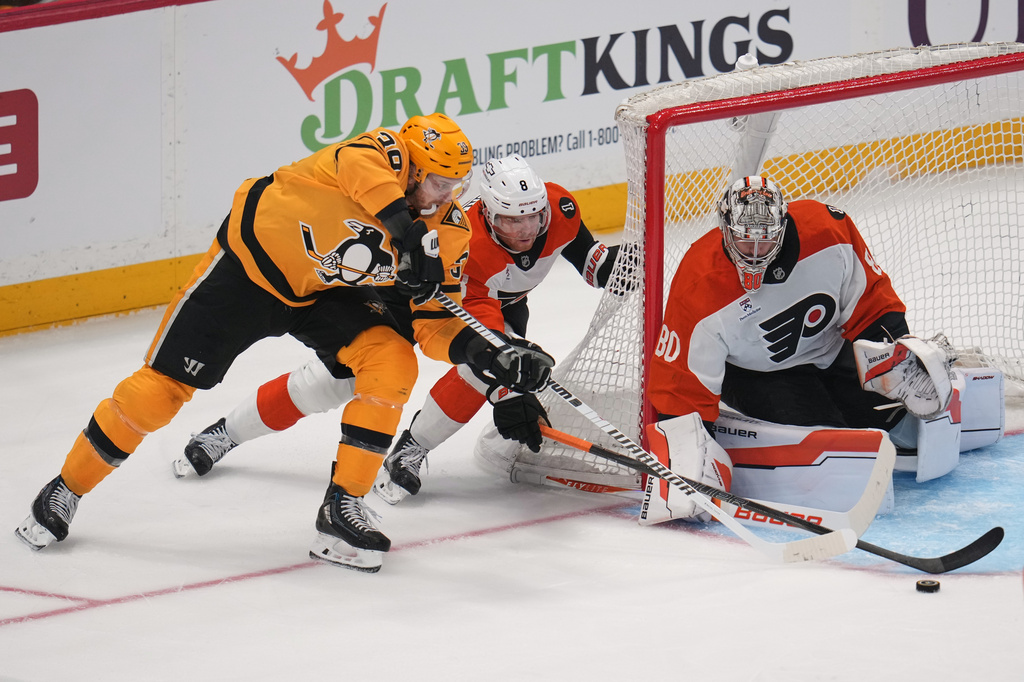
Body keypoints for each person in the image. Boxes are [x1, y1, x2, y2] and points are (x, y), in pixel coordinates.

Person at [14, 114, 554, 573]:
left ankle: (342, 509)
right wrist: (406, 234)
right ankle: (65, 487)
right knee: (158, 395)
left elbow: (435, 322)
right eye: (437, 182)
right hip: (246, 273)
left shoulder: (448, 227)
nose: (445, 196)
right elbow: (362, 172)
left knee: (391, 362)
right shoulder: (380, 152)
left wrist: (491, 354)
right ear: (410, 165)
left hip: (322, 292)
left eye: (455, 185)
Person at [172, 154, 624, 506]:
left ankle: (409, 449)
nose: (527, 229)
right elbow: (477, 320)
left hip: (487, 306)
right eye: (513, 219)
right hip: (405, 303)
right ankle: (224, 432)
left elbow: (591, 261)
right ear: (488, 214)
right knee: (334, 384)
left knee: (488, 371)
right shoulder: (471, 244)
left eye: (533, 216)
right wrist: (508, 389)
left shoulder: (559, 208)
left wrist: (629, 265)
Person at [643, 175, 956, 523]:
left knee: (897, 422)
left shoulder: (828, 230)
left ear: (785, 222)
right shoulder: (699, 281)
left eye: (767, 240)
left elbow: (872, 302)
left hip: (830, 350)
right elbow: (681, 386)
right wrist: (688, 454)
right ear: (725, 230)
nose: (757, 253)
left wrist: (895, 355)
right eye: (746, 243)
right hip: (757, 374)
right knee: (835, 445)